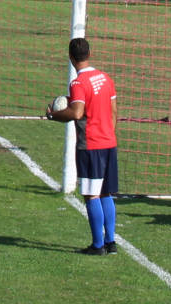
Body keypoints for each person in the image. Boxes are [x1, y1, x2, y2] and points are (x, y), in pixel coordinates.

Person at [47, 36, 118, 255]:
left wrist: (54, 115)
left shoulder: (78, 83)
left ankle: (97, 246)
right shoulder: (105, 78)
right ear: (89, 54)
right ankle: (111, 242)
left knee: (90, 195)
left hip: (91, 146)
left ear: (71, 58)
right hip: (109, 142)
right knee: (105, 193)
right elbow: (114, 110)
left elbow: (76, 112)